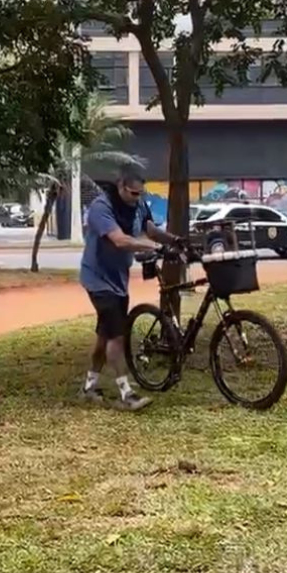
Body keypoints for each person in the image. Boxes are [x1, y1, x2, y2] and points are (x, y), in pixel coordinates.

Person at [80, 166, 182, 411]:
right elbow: (119, 239)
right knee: (117, 335)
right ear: (120, 186)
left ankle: (88, 387)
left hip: (118, 280)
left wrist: (174, 240)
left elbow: (150, 229)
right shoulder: (101, 208)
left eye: (140, 193)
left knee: (105, 334)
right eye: (133, 193)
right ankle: (127, 394)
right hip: (97, 279)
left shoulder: (138, 205)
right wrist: (151, 248)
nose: (138, 198)